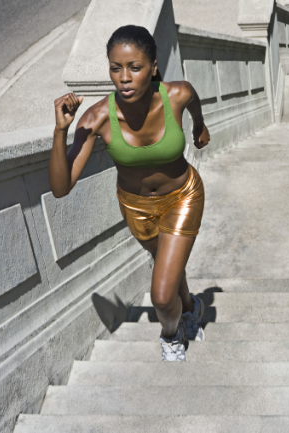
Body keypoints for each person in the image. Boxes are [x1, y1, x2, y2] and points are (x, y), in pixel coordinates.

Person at [49, 25, 210, 362]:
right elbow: (61, 188)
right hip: (136, 208)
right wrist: (61, 130)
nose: (124, 78)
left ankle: (171, 335)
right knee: (169, 268)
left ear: (152, 67)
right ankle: (193, 306)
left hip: (183, 195)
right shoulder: (97, 118)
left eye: (134, 68)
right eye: (115, 68)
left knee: (162, 296)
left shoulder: (176, 94)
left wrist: (199, 126)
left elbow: (193, 100)